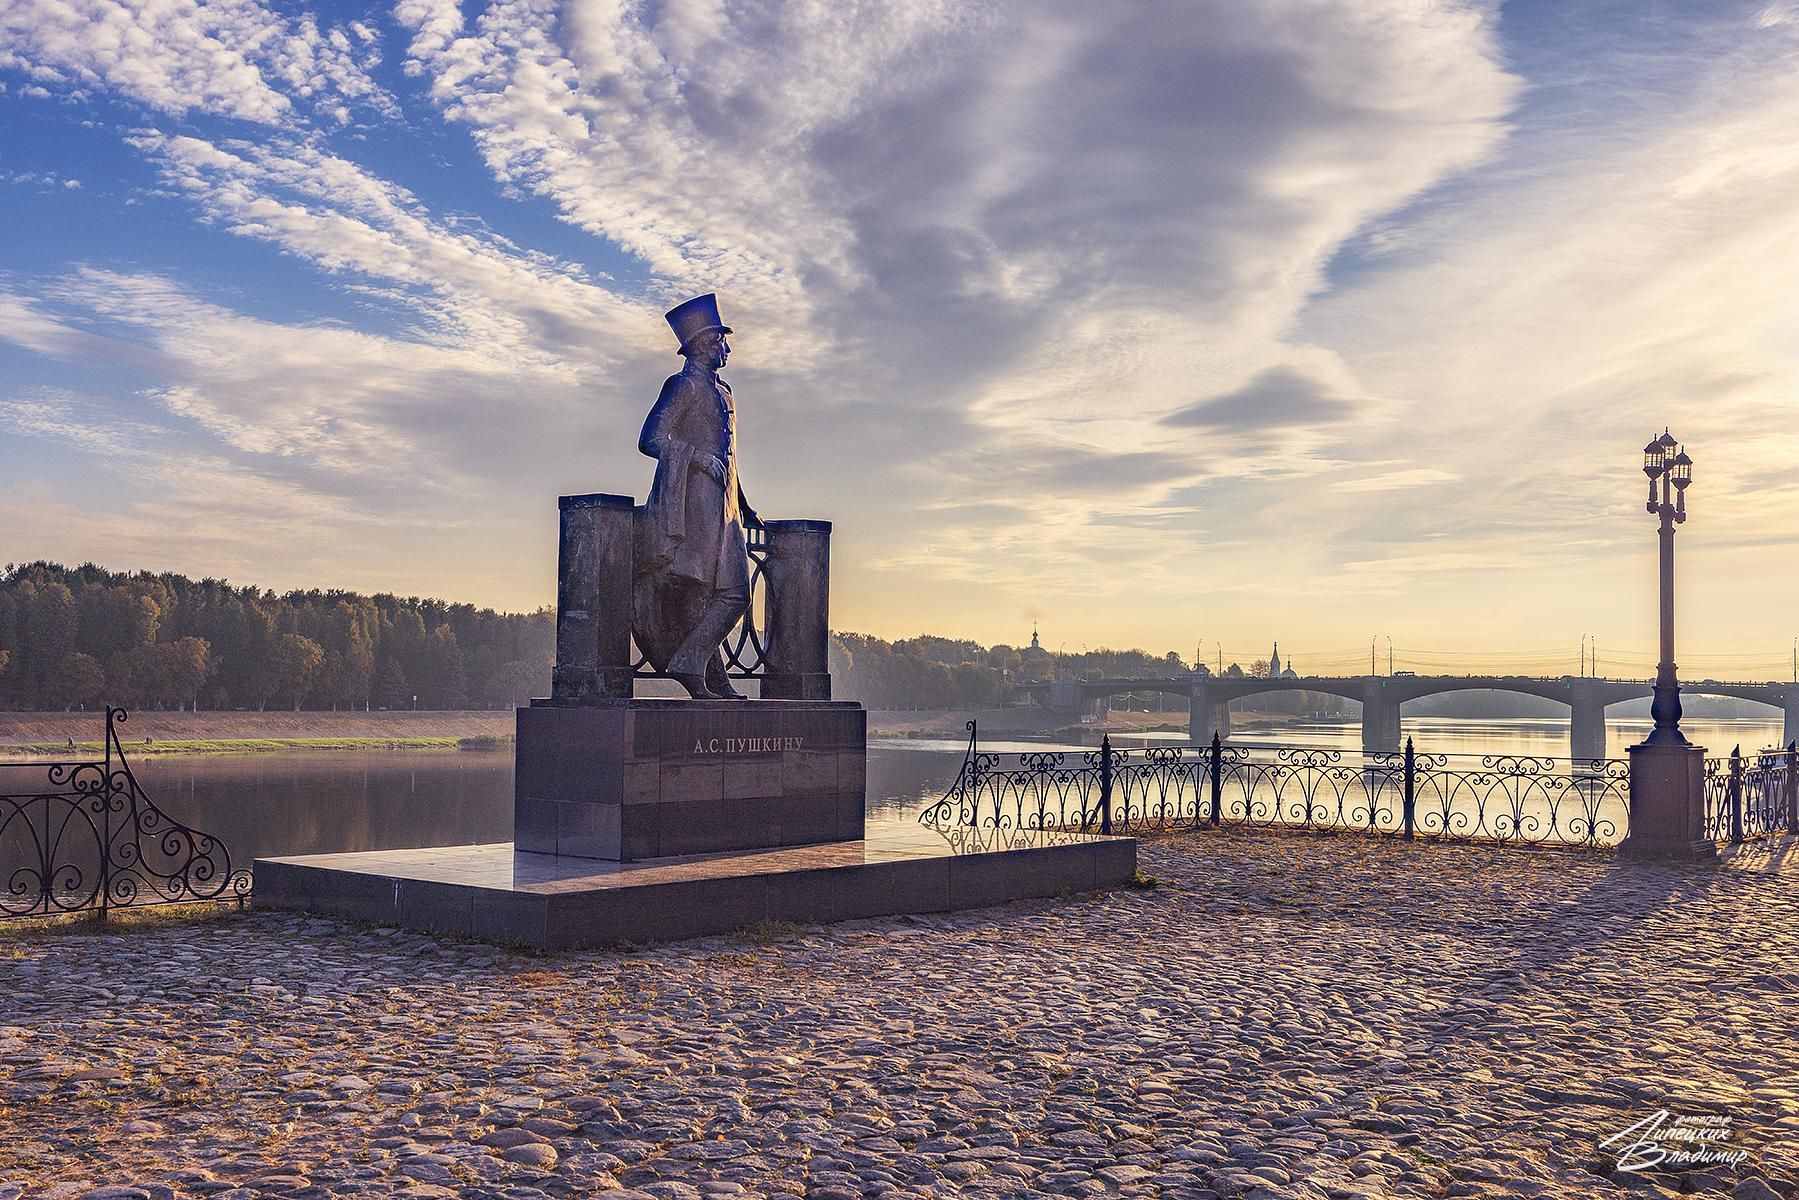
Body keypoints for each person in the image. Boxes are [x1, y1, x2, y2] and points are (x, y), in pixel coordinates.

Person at [636, 293, 758, 700]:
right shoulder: (683, 385)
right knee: (705, 593)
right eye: (722, 340)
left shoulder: (724, 392)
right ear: (706, 344)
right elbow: (651, 439)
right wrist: (699, 460)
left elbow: (731, 457)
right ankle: (708, 676)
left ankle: (693, 663)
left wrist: (745, 504)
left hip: (725, 512)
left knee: (732, 591)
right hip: (692, 508)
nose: (728, 348)